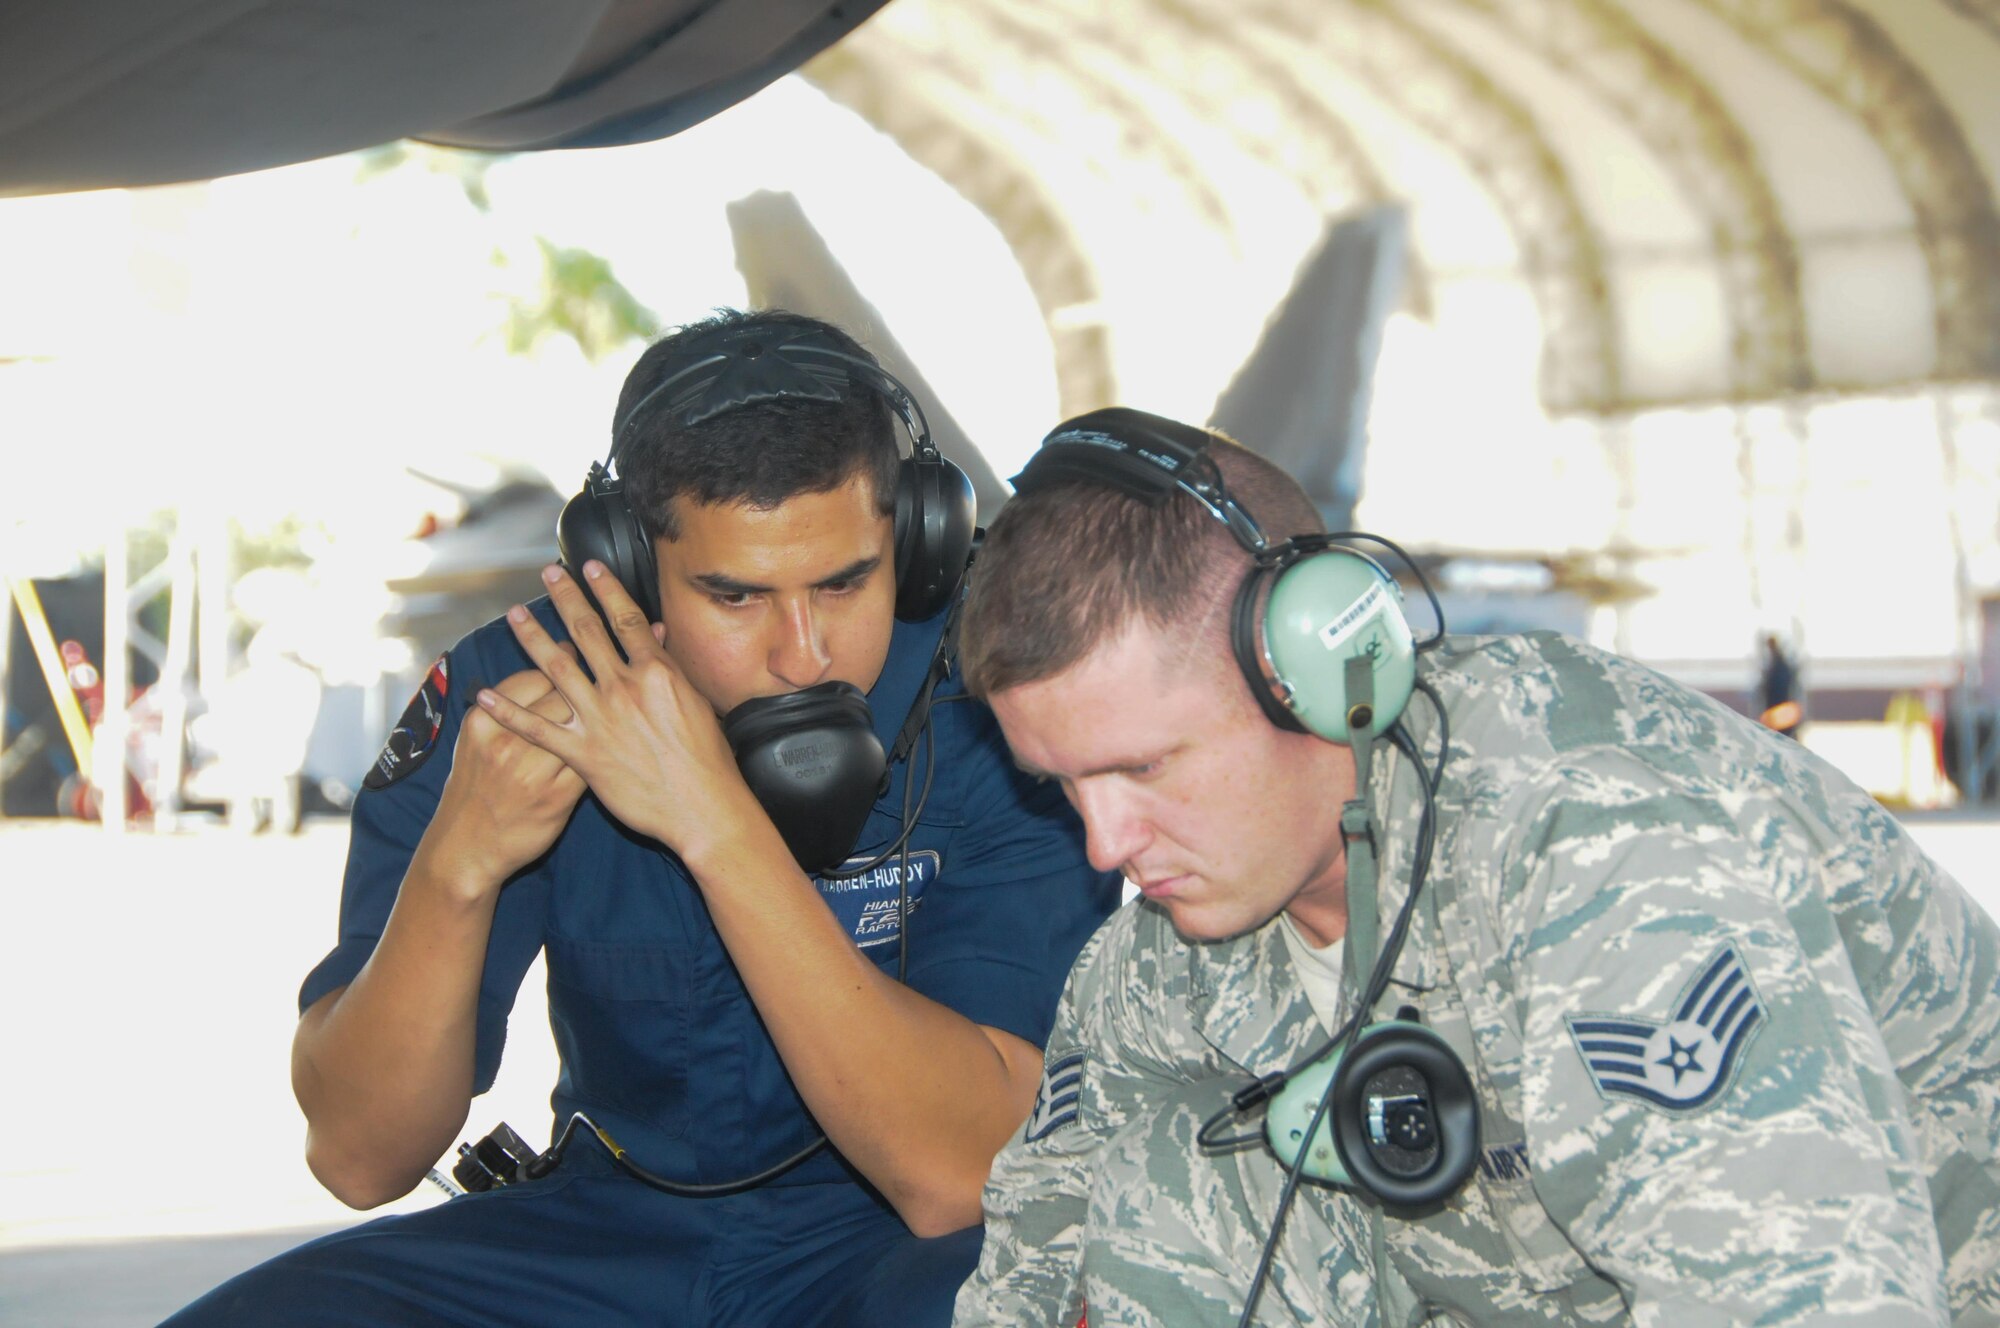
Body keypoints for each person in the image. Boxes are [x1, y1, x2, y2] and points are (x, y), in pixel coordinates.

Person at [164, 310, 1121, 1327]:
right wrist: (457, 865)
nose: (804, 653)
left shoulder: (986, 700)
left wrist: (715, 824)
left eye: (844, 581)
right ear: (623, 567)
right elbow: (359, 1155)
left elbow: (960, 1176)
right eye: (734, 595)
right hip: (604, 1234)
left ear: (919, 540)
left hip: (889, 1246)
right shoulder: (518, 692)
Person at [949, 407, 2000, 1327]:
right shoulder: (1160, 961)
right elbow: (1039, 1231)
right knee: (1177, 1164)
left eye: (1140, 766)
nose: (1103, 844)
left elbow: (1799, 1298)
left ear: (1317, 668)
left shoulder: (1598, 845)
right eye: (1063, 785)